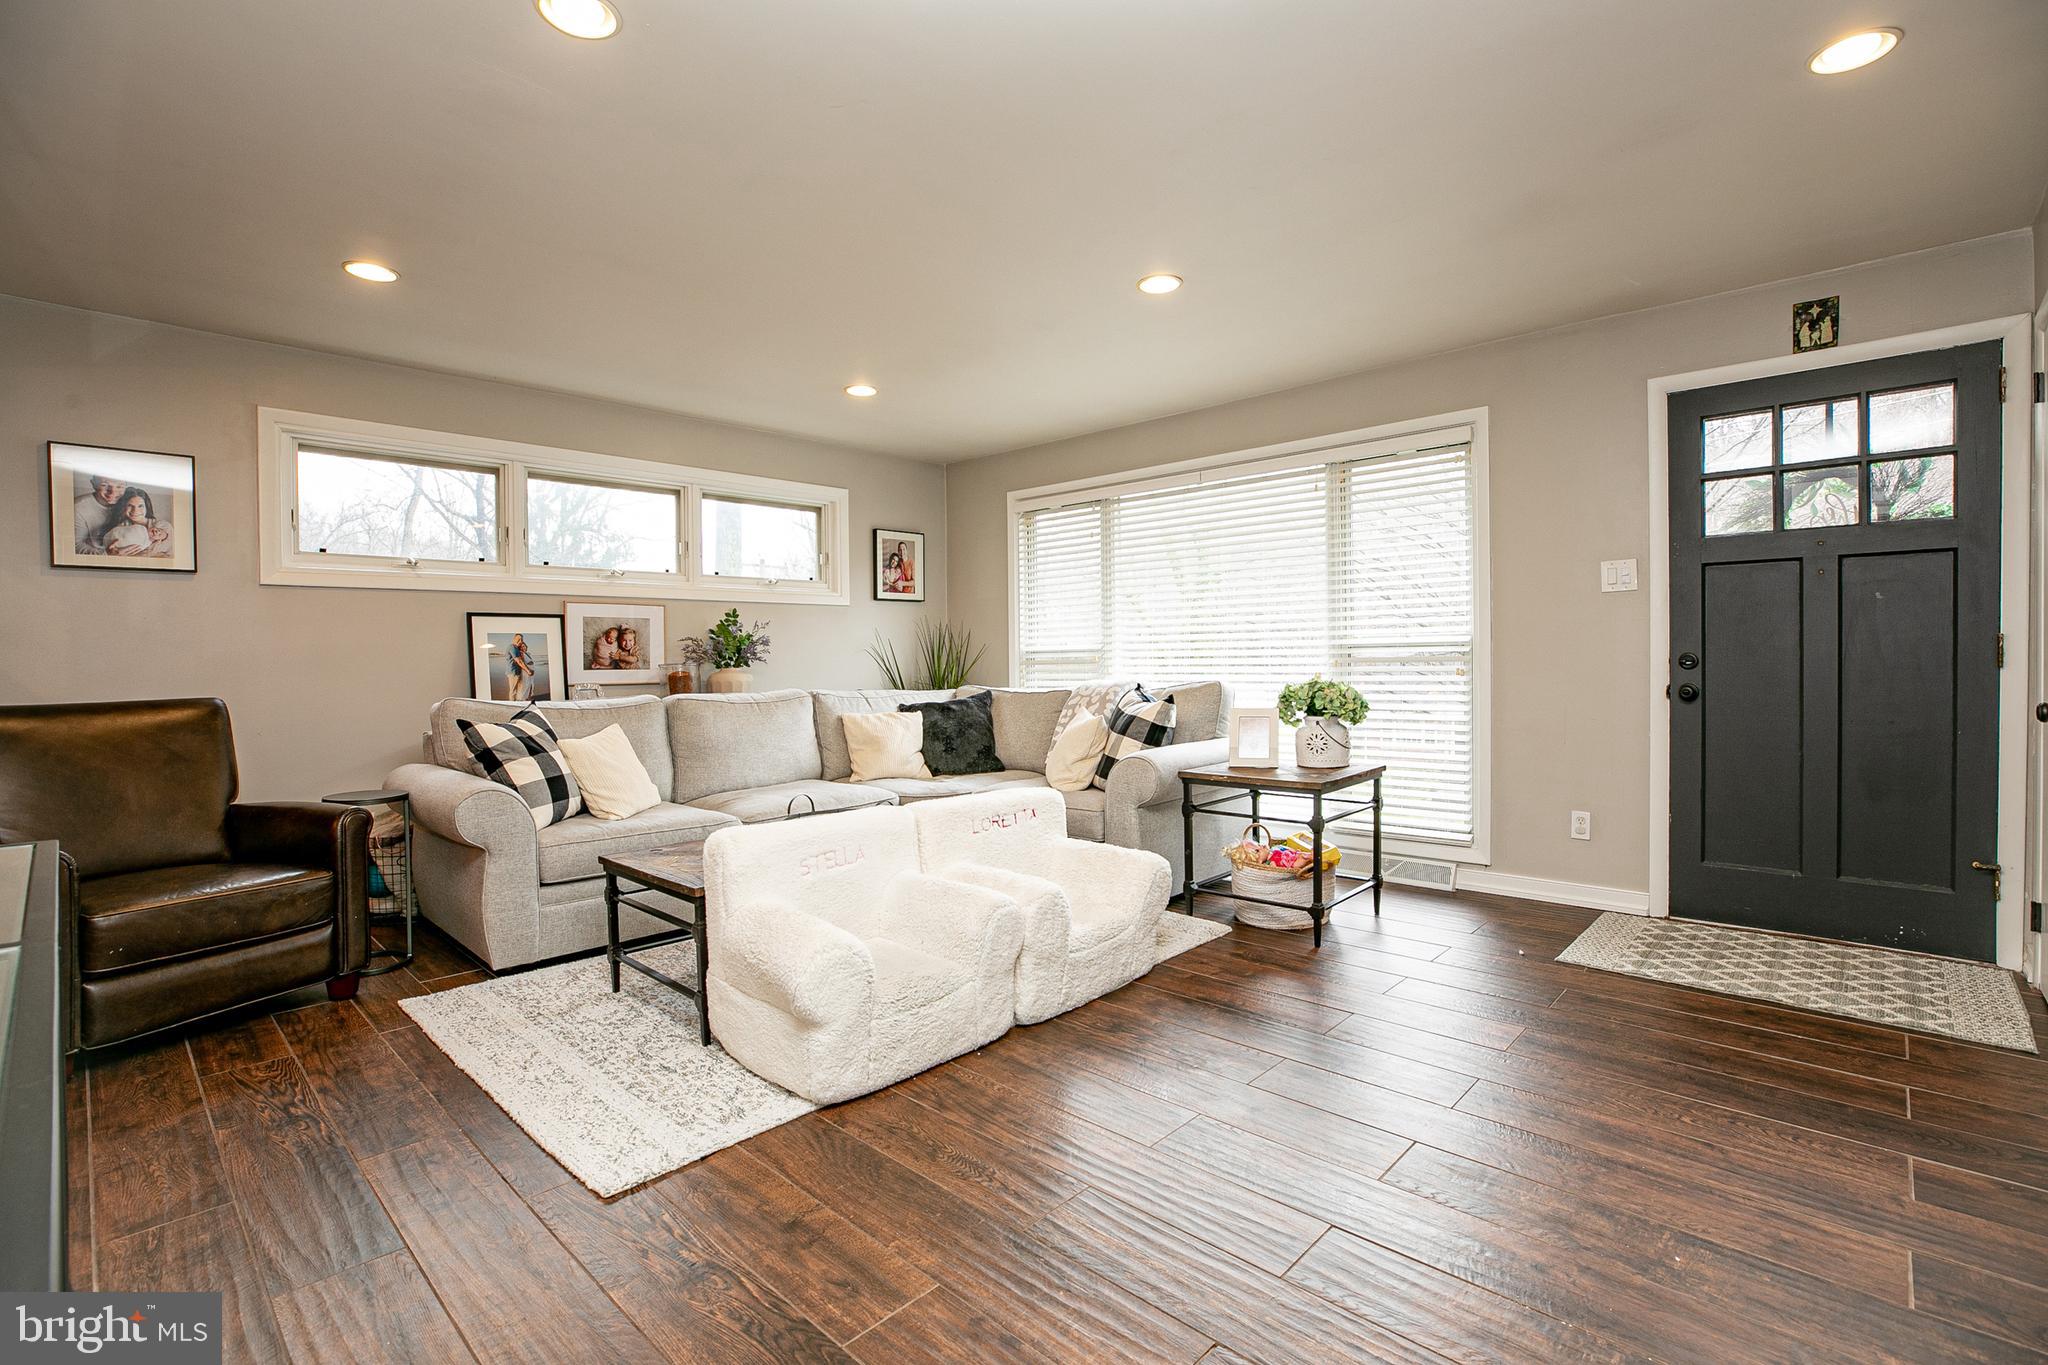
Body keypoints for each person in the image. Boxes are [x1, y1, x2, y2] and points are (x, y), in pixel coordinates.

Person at [99, 489, 171, 557]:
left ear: (147, 507)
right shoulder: (120, 529)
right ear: (124, 507)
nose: (135, 511)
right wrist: (110, 554)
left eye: (140, 506)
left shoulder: (164, 527)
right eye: (130, 506)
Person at [507, 633, 536, 702]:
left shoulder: (517, 649)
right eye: (518, 639)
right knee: (515, 690)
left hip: (517, 671)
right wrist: (528, 670)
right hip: (513, 672)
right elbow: (520, 661)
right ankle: (513, 705)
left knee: (523, 687)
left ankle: (521, 700)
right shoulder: (512, 647)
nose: (520, 641)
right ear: (514, 639)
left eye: (521, 640)